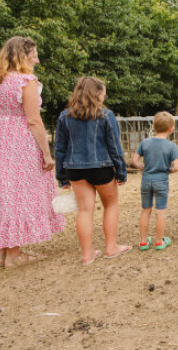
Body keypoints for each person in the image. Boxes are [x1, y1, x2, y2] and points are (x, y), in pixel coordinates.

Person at [0, 36, 65, 268]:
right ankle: (13, 256)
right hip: (21, 143)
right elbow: (33, 120)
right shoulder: (25, 81)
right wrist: (47, 154)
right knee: (20, 195)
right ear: (23, 56)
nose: (37, 60)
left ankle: (6, 253)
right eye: (34, 55)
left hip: (2, 143)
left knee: (8, 195)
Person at [54, 76, 131, 265]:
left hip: (75, 170)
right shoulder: (106, 115)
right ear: (96, 94)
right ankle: (111, 247)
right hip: (102, 168)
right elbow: (114, 146)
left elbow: (60, 148)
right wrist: (121, 171)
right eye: (103, 93)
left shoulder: (65, 116)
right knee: (111, 205)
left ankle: (87, 254)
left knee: (85, 210)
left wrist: (61, 177)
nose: (104, 97)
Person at [131, 112, 178, 251]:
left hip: (146, 180)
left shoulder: (145, 142)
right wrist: (167, 170)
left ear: (153, 126)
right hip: (162, 181)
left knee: (145, 210)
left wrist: (143, 167)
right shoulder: (172, 146)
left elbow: (134, 160)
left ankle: (143, 241)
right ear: (171, 129)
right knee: (160, 212)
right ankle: (159, 241)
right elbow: (177, 167)